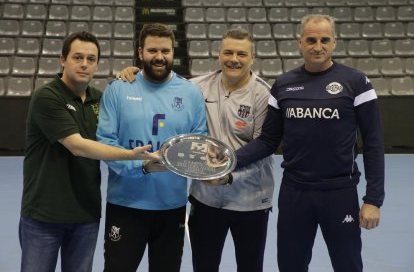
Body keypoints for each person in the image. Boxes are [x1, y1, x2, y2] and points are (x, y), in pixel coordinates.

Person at [117, 28, 276, 272]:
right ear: (218, 54)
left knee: (250, 267)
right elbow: (162, 83)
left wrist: (229, 175)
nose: (234, 59)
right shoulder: (196, 87)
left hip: (251, 202)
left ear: (252, 57)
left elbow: (263, 146)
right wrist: (136, 73)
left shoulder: (264, 94)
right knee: (203, 266)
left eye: (242, 54)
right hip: (206, 200)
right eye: (228, 52)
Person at [235, 14, 385, 272]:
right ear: (300, 42)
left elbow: (373, 143)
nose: (318, 46)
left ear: (334, 42)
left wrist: (373, 199)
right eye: (311, 39)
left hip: (339, 193)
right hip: (295, 194)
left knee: (347, 264)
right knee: (291, 265)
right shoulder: (283, 84)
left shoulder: (356, 82)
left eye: (324, 40)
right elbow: (269, 140)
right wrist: (231, 160)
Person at [19, 31, 159, 272]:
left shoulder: (99, 99)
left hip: (86, 216)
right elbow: (77, 146)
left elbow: (118, 127)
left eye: (91, 59)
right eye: (77, 57)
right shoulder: (46, 97)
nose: (84, 64)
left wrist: (138, 74)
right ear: (62, 60)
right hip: (44, 217)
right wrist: (130, 155)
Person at [96, 23, 207, 272]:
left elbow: (199, 143)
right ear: (140, 52)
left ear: (173, 53)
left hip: (172, 207)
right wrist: (142, 167)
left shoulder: (191, 94)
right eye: (152, 50)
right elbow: (105, 143)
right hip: (126, 205)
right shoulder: (118, 89)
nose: (159, 57)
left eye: (165, 51)